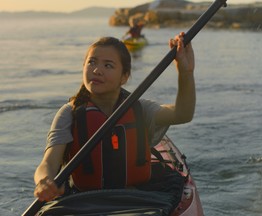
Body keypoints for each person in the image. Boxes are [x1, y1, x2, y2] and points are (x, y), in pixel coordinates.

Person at [33, 31, 196, 203]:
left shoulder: (140, 109)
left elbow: (182, 114)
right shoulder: (69, 114)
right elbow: (49, 164)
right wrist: (44, 181)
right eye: (91, 62)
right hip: (84, 201)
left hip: (138, 198)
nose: (97, 70)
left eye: (108, 65)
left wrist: (185, 72)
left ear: (124, 77)